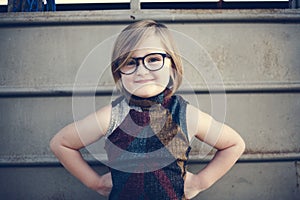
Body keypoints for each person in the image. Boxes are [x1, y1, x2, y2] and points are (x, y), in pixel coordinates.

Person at [50, 20, 245, 200]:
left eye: (153, 59)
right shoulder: (113, 115)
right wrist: (97, 183)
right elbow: (61, 144)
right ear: (119, 71)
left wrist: (200, 183)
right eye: (130, 62)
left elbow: (234, 144)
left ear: (172, 65)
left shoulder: (186, 114)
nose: (142, 71)